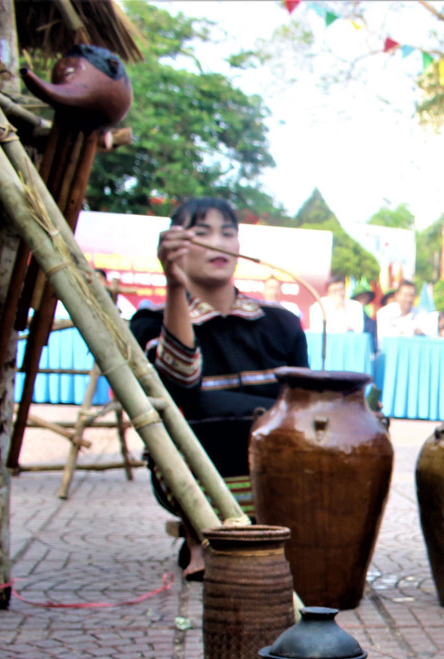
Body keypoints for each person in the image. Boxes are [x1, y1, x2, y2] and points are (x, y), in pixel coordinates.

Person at [130, 197, 309, 579]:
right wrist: (175, 286)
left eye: (228, 233)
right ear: (174, 244)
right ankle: (205, 533)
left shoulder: (281, 323)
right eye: (202, 232)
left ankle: (232, 536)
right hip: (198, 463)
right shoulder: (149, 324)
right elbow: (181, 382)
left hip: (272, 470)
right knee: (187, 414)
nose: (219, 242)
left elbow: (303, 406)